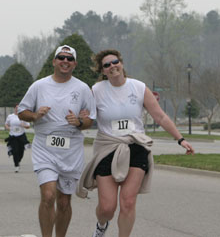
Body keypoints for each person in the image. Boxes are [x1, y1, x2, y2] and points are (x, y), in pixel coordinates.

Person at [76, 49, 195, 237]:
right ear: (103, 71)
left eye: (114, 62)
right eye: (106, 65)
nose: (112, 67)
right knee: (108, 207)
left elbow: (160, 116)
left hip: (135, 146)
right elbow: (87, 117)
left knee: (128, 202)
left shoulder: (138, 87)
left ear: (121, 63)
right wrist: (80, 119)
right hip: (108, 147)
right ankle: (101, 225)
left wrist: (180, 139)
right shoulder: (96, 91)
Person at [18, 45, 96, 237]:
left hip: (71, 148)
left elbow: (90, 120)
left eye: (70, 59)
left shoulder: (82, 88)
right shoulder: (39, 86)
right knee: (48, 195)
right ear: (54, 61)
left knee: (63, 202)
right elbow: (22, 112)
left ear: (75, 64)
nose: (65, 61)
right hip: (45, 146)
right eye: (61, 57)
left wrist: (78, 121)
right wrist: (36, 115)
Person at [5, 104, 31, 173]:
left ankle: (18, 161)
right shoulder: (10, 116)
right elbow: (6, 124)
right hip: (13, 136)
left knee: (21, 151)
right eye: (16, 108)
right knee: (15, 151)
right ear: (14, 109)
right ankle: (16, 165)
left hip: (21, 136)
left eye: (18, 108)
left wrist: (24, 125)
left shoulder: (23, 116)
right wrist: (8, 128)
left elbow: (28, 126)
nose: (17, 109)